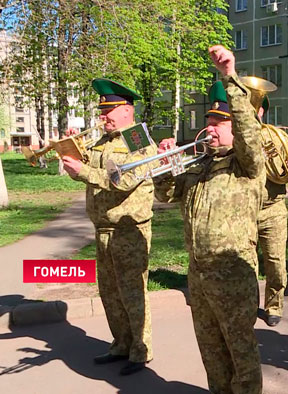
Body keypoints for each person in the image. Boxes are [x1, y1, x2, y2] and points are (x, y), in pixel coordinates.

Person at [154, 45, 265, 393]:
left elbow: (249, 134)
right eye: (209, 124)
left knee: (241, 357)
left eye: (220, 124)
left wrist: (230, 78)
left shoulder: (246, 165)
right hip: (199, 275)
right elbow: (167, 195)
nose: (212, 130)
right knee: (211, 353)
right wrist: (163, 168)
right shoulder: (200, 166)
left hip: (233, 274)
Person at [62, 78, 155, 376]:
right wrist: (72, 149)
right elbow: (87, 168)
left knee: (132, 293)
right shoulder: (102, 140)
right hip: (102, 227)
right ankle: (121, 344)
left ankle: (140, 351)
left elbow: (124, 181)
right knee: (110, 293)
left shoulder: (138, 139)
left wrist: (84, 171)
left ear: (127, 111)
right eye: (102, 112)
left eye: (109, 112)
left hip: (129, 229)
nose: (103, 117)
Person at [253, 92, 288, 327]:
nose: (253, 110)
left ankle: (274, 305)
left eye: (257, 106)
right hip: (245, 209)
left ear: (262, 110)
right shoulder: (238, 136)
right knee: (246, 262)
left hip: (273, 208)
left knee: (275, 263)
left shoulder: (276, 135)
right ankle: (250, 303)